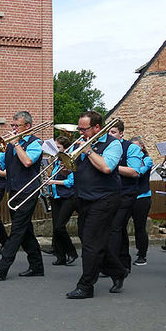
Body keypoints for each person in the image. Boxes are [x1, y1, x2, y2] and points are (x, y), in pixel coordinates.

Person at [65, 111, 126, 299]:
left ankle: (86, 286)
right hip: (84, 197)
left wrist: (88, 150)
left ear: (97, 128)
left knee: (91, 242)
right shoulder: (82, 143)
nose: (81, 133)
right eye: (80, 129)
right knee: (89, 238)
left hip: (105, 198)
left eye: (84, 129)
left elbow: (107, 167)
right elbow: (71, 168)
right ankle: (118, 270)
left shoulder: (113, 144)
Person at [0, 111, 44, 280]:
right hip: (13, 190)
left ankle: (3, 266)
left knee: (17, 229)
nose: (13, 129)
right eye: (12, 126)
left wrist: (17, 143)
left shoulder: (36, 143)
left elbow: (27, 162)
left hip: (29, 190)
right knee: (25, 230)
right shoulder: (10, 145)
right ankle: (37, 266)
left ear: (27, 126)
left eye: (16, 126)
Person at [106, 122, 144, 273]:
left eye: (113, 132)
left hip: (126, 193)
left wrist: (110, 164)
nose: (110, 135)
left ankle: (114, 266)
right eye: (107, 132)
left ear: (121, 134)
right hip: (109, 192)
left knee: (115, 227)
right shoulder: (105, 147)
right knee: (118, 228)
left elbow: (135, 172)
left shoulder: (131, 147)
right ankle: (124, 262)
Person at [45, 136, 78, 266]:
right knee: (55, 228)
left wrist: (53, 181)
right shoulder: (57, 161)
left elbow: (71, 182)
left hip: (68, 197)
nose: (56, 150)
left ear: (65, 148)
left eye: (58, 147)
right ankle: (60, 256)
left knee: (60, 227)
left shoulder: (69, 161)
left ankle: (71, 252)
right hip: (56, 197)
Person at [129, 137, 154, 266]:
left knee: (140, 226)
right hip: (129, 195)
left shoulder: (147, 160)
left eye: (136, 147)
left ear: (142, 147)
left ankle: (142, 254)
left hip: (142, 196)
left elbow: (138, 172)